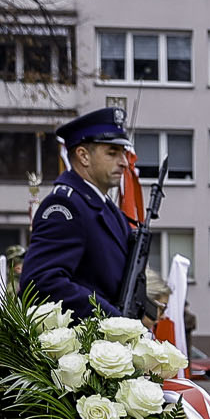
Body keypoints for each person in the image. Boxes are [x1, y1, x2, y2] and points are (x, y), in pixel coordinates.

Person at [18, 107, 136, 317]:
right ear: (83, 156)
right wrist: (113, 320)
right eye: (112, 153)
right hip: (82, 335)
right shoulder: (66, 206)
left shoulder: (109, 209)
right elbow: (42, 282)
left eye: (124, 153)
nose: (124, 163)